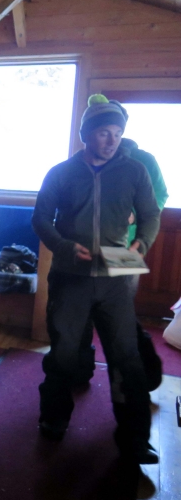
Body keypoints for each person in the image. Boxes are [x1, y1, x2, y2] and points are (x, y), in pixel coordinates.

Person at [32, 94, 161, 464]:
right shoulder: (60, 172)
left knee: (126, 356)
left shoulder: (135, 171)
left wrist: (142, 242)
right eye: (104, 133)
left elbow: (151, 214)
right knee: (64, 354)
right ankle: (54, 419)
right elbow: (41, 218)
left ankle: (135, 438)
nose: (112, 140)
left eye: (117, 133)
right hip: (71, 276)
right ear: (87, 135)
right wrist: (63, 246)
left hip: (116, 277)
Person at [75, 101, 169, 388]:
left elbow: (159, 199)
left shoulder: (143, 160)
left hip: (124, 249)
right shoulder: (87, 158)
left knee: (121, 319)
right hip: (87, 248)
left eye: (117, 127)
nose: (110, 136)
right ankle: (79, 373)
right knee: (80, 314)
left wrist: (135, 216)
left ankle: (138, 380)